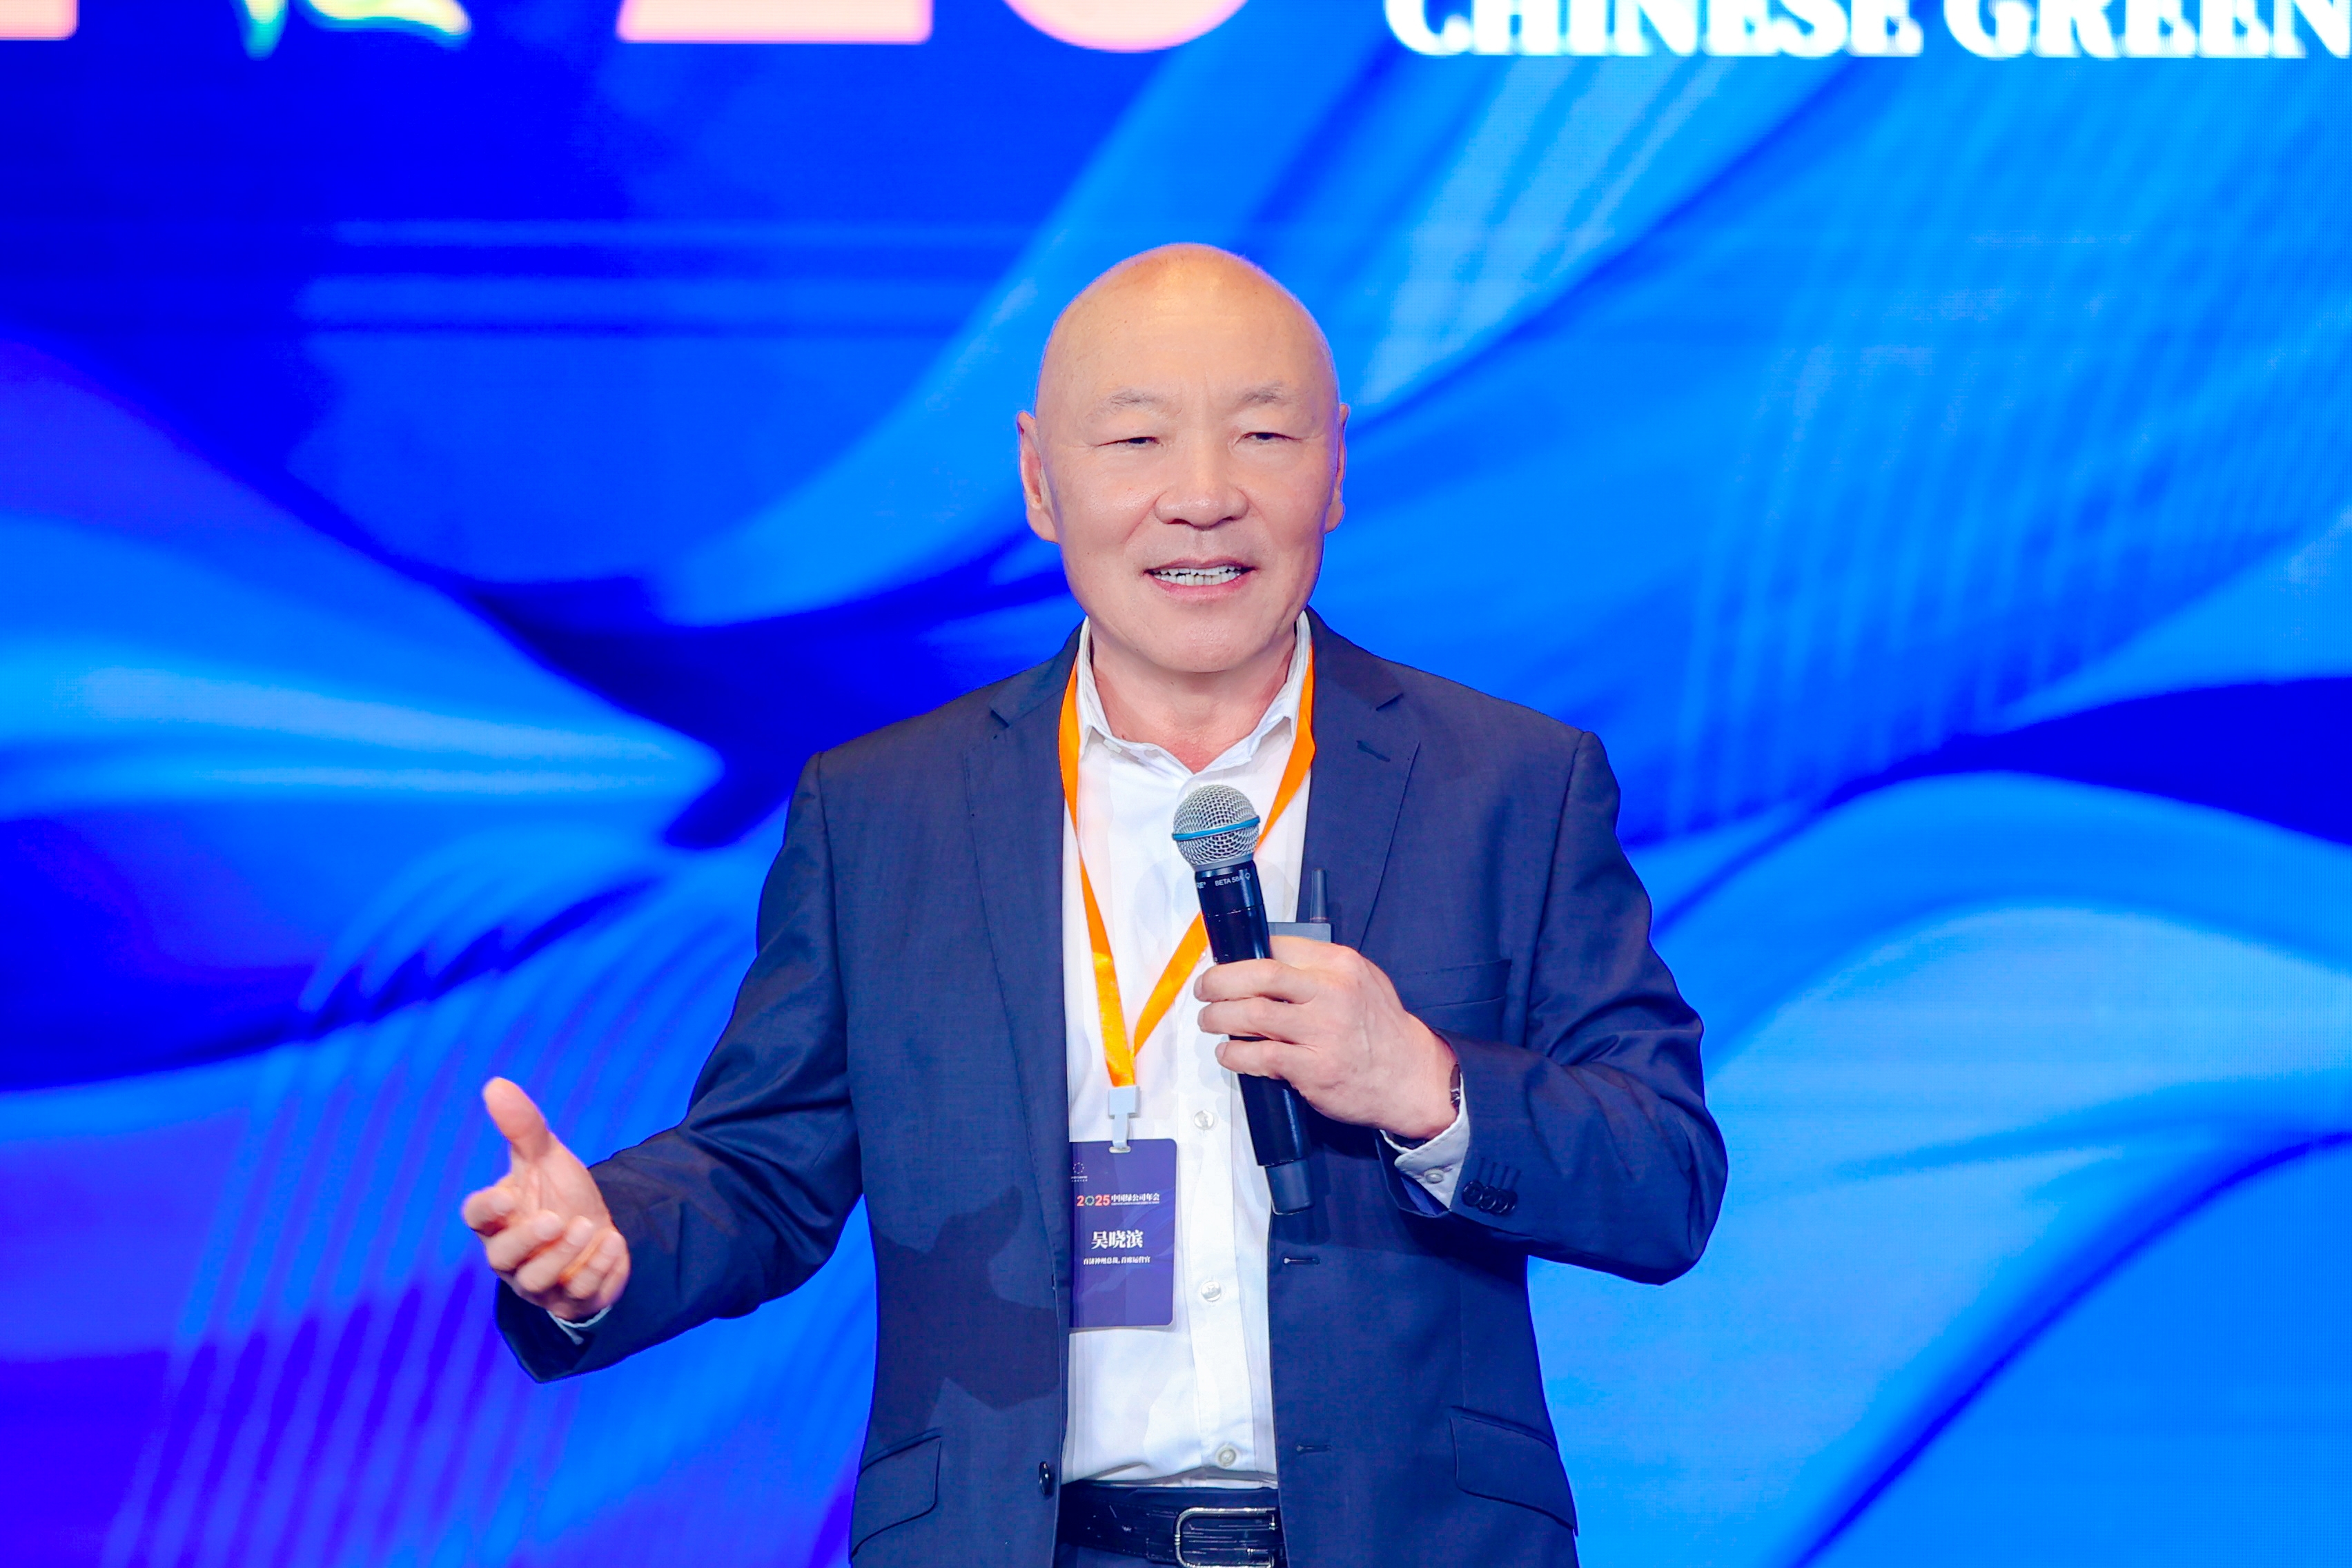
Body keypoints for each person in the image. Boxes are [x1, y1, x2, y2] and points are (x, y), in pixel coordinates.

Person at [461, 244, 1725, 1568]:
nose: (1203, 497)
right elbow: (765, 1166)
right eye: (1136, 439)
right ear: (1038, 479)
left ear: (1336, 467)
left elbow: (1668, 1177)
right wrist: (611, 1239)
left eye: (1262, 435)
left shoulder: (1509, 783)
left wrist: (1424, 1084)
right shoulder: (884, 810)